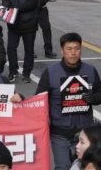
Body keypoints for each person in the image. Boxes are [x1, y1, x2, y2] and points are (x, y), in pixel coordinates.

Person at [36, 33, 101, 170]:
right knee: (63, 167)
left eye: (76, 48)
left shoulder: (90, 70)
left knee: (88, 166)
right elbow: (39, 100)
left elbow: (99, 93)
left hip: (85, 132)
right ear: (62, 50)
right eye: (69, 49)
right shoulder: (50, 72)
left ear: (81, 49)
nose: (73, 53)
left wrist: (94, 98)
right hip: (60, 133)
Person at [2, 0, 41, 82]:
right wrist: (7, 6)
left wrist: (16, 9)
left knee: (29, 50)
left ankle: (26, 73)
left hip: (29, 24)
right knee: (11, 48)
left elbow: (32, 2)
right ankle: (13, 71)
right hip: (13, 24)